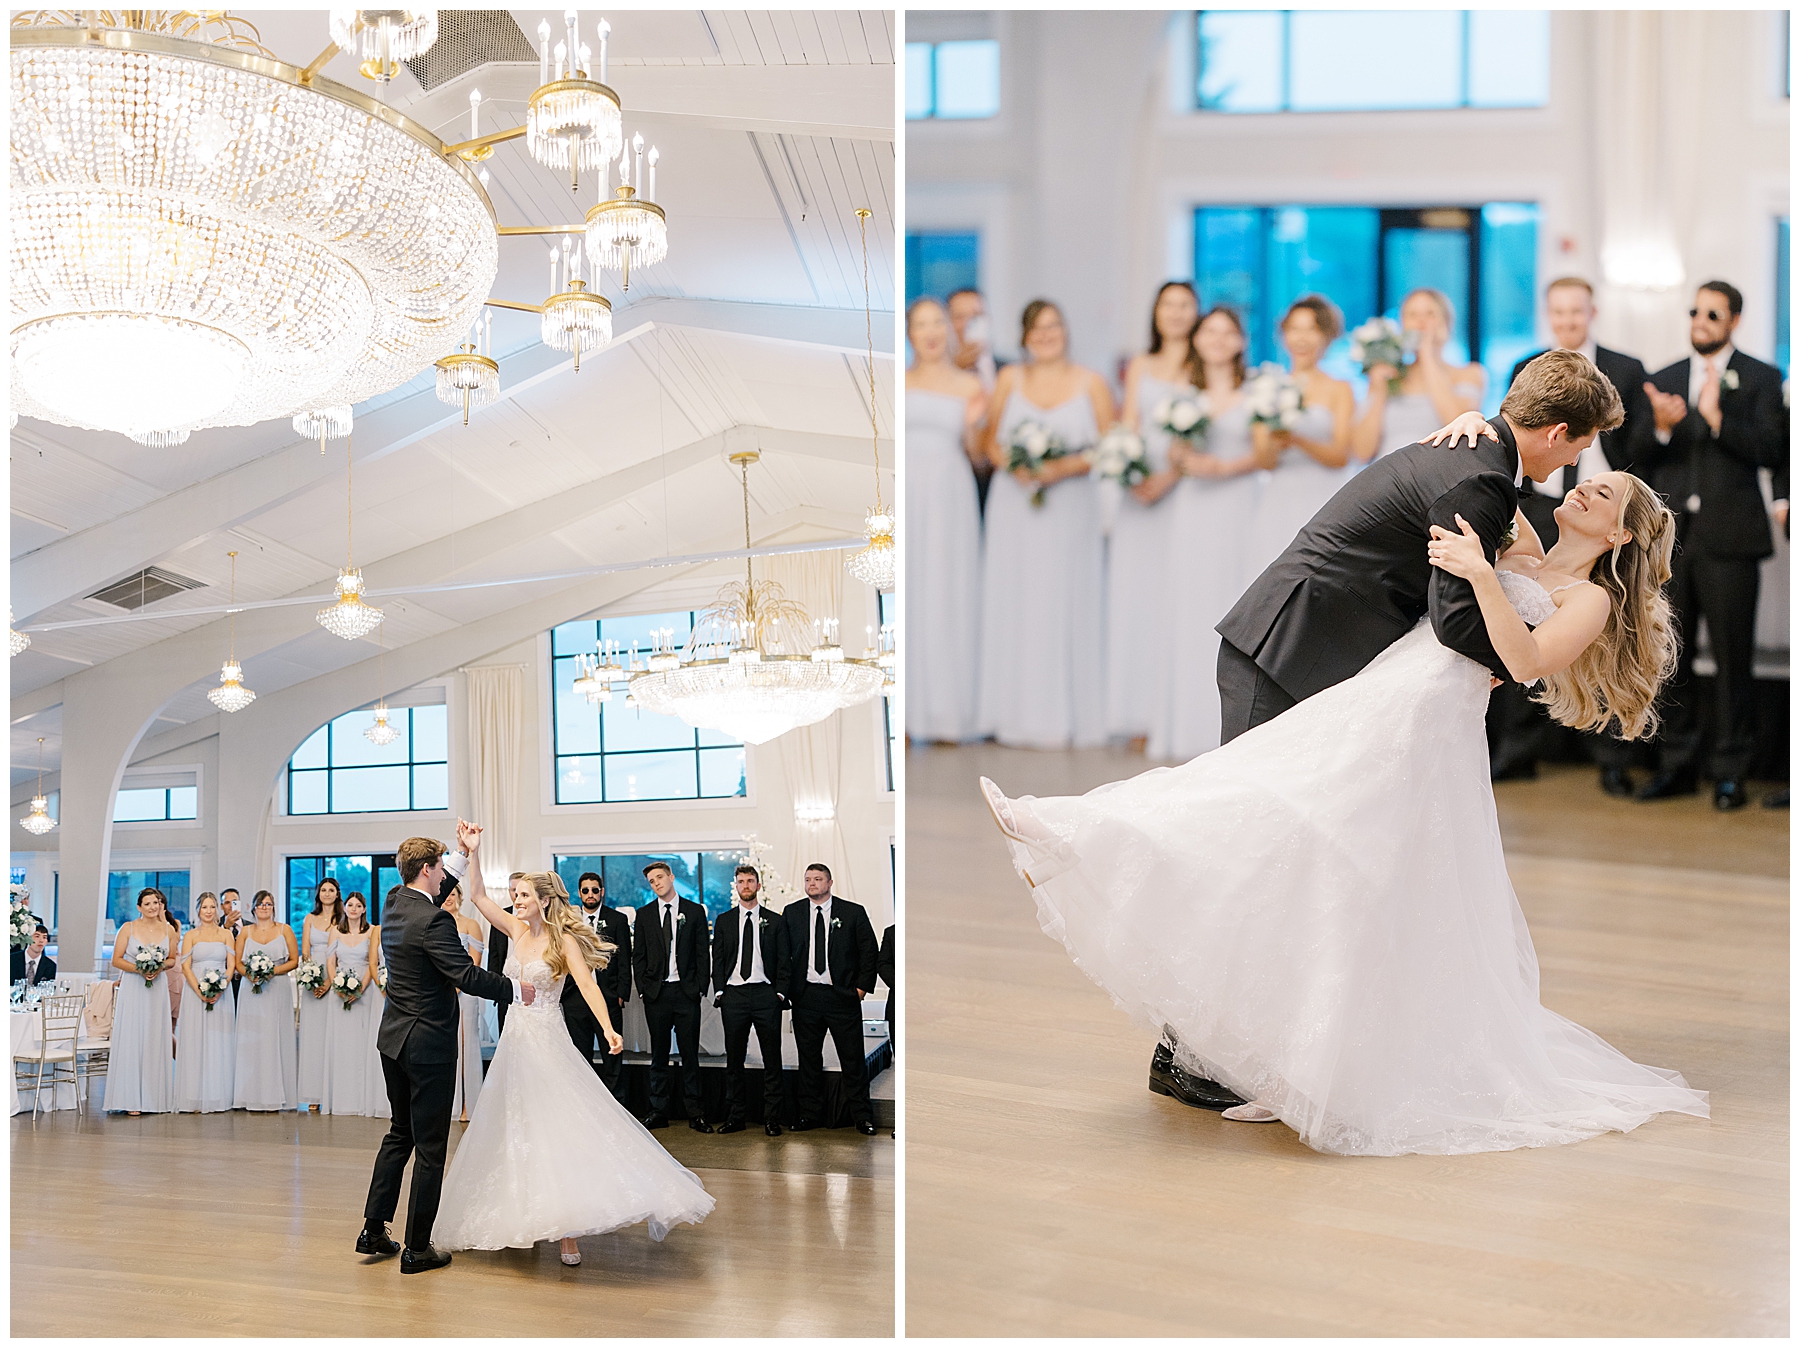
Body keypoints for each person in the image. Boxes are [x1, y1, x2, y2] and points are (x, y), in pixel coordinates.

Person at [981, 395, 1715, 1155]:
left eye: (1605, 492)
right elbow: (1460, 477)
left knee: (1319, 853)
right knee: (1269, 804)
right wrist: (1470, 421)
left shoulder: (1588, 599)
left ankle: (1287, 1066)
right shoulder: (1519, 530)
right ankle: (1075, 837)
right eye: (1589, 475)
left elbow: (1526, 661)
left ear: (1620, 534)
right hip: (1379, 688)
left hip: (1426, 722)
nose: (1586, 484)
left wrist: (1479, 574)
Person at [435, 860, 714, 1266]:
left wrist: (608, 1029)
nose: (516, 900)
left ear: (544, 901)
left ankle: (568, 1232)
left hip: (547, 1042)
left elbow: (586, 984)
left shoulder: (563, 941)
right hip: (514, 1043)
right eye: (515, 894)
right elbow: (477, 895)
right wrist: (472, 852)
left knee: (555, 1131)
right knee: (515, 1130)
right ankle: (524, 1219)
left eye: (524, 895)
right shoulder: (515, 930)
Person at [1494, 277, 1656, 790]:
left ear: (1592, 313)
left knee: (1593, 636)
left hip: (1598, 511)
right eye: (1558, 311)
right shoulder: (1529, 366)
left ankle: (1610, 760)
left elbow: (1643, 444)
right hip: (1545, 503)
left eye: (1575, 311)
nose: (1567, 320)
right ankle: (1517, 751)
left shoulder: (1626, 368)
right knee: (1522, 612)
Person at [1635, 280, 1789, 810]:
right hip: (1672, 542)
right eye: (1695, 311)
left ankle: (1731, 771)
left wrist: (1719, 418)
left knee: (1732, 660)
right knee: (1669, 656)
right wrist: (1660, 428)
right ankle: (1677, 765)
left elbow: (1773, 450)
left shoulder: (1763, 378)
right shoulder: (1664, 377)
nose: (1700, 321)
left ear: (1734, 321)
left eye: (1713, 314)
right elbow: (1636, 455)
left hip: (1731, 538)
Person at [359, 828, 527, 1274]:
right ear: (426, 870)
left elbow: (437, 885)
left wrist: (463, 853)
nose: (443, 880)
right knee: (431, 1148)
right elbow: (465, 976)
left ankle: (373, 1230)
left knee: (400, 1133)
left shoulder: (394, 902)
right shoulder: (436, 921)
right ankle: (418, 1248)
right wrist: (516, 990)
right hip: (427, 1046)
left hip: (393, 1041)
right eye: (439, 870)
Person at [975, 299, 1115, 749]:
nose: (1046, 335)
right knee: (1018, 598)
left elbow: (1111, 445)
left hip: (1071, 504)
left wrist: (1063, 467)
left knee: (1065, 597)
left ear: (1066, 330)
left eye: (1053, 325)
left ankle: (1067, 715)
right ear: (1024, 337)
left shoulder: (1091, 382)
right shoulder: (1009, 379)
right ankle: (1013, 715)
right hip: (1014, 504)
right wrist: (1016, 466)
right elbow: (989, 441)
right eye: (1037, 328)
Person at [1144, 305, 1263, 762]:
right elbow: (1172, 451)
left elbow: (1266, 454)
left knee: (1235, 597)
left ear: (1240, 341)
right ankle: (1187, 724)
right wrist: (1184, 460)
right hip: (1194, 507)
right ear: (1196, 339)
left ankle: (1234, 722)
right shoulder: (1182, 394)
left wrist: (1223, 468)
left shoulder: (1257, 392)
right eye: (1209, 331)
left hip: (1239, 505)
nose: (1217, 339)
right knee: (1190, 602)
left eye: (1227, 332)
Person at [1108, 282, 1202, 745]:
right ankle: (1137, 714)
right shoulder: (1141, 366)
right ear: (1156, 311)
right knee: (1137, 598)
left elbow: (1204, 434)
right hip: (1137, 494)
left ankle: (1172, 711)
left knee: (1173, 597)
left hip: (1181, 491)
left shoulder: (1201, 368)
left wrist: (1168, 478)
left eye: (1185, 305)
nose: (1176, 313)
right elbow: (1130, 423)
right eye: (1168, 304)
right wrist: (1127, 469)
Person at [905, 296, 987, 744]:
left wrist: (975, 426)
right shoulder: (899, 381)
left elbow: (977, 455)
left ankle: (946, 713)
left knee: (946, 589)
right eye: (921, 324)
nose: (931, 332)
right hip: (908, 489)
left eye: (938, 322)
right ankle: (907, 713)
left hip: (949, 490)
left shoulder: (969, 385)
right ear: (910, 333)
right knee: (911, 589)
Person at [1241, 295, 1356, 581]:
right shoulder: (1266, 387)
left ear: (1326, 336)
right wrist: (1274, 438)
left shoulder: (1340, 389)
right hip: (1279, 497)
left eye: (1311, 330)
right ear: (1283, 335)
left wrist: (1298, 440)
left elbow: (1341, 456)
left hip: (1324, 496)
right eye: (1294, 329)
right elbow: (1264, 462)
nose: (1301, 338)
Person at [780, 864, 880, 1136]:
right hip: (806, 996)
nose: (812, 883)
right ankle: (809, 1114)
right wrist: (790, 991)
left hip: (842, 996)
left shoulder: (852, 912)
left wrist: (860, 989)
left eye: (817, 879)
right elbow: (783, 955)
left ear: (830, 882)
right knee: (809, 1059)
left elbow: (869, 952)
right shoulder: (792, 913)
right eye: (808, 879)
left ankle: (862, 1116)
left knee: (853, 1059)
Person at [1351, 287, 1486, 462]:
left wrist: (1427, 355)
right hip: (1387, 473)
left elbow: (1462, 432)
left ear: (1447, 322)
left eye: (1430, 314)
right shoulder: (1389, 376)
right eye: (1412, 315)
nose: (1421, 322)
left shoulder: (1469, 374)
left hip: (1436, 473)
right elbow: (1362, 453)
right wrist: (1379, 390)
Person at [631, 862, 712, 1132]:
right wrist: (644, 988)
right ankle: (658, 1111)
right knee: (659, 1055)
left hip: (686, 992)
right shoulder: (644, 914)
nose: (656, 883)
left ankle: (696, 1113)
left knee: (690, 1055)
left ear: (671, 877)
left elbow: (702, 952)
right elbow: (639, 956)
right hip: (657, 993)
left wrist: (699, 987)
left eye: (660, 877)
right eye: (652, 881)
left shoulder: (694, 911)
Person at [711, 865, 790, 1136]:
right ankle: (736, 1116)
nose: (745, 885)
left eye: (750, 881)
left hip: (766, 994)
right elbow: (718, 959)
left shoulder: (775, 921)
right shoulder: (724, 920)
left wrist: (779, 993)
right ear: (736, 886)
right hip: (734, 995)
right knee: (734, 1060)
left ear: (758, 885)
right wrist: (720, 991)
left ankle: (772, 1118)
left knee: (772, 1058)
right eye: (741, 881)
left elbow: (784, 960)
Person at [106, 887, 176, 1115]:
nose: (152, 907)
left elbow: (172, 959)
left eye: (156, 902)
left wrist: (158, 966)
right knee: (133, 1036)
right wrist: (140, 969)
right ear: (139, 907)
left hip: (157, 989)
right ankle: (130, 1099)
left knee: (154, 1036)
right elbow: (116, 960)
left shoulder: (168, 929)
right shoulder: (128, 928)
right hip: (133, 988)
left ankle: (154, 1098)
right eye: (147, 903)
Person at [321, 892, 389, 1118]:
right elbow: (330, 962)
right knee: (341, 1043)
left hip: (364, 991)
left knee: (362, 1044)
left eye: (358, 905)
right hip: (339, 992)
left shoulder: (372, 931)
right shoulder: (335, 931)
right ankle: (340, 1100)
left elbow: (373, 963)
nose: (353, 909)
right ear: (345, 907)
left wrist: (360, 987)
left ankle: (361, 1099)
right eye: (350, 905)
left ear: (364, 909)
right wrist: (337, 986)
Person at [566, 871, 632, 1101]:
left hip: (608, 996)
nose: (590, 894)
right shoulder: (570, 922)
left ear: (602, 892)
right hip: (575, 997)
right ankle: (585, 1103)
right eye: (586, 890)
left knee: (612, 1053)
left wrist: (621, 993)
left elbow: (624, 959)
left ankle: (617, 1105)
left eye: (595, 890)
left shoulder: (617, 920)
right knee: (580, 1055)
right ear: (579, 893)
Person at [233, 890, 300, 1112]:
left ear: (273, 907)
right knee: (253, 1038)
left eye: (268, 904)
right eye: (260, 904)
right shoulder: (245, 932)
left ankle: (277, 1094)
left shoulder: (285, 930)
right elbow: (238, 962)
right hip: (251, 989)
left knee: (275, 1036)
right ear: (253, 908)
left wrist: (272, 971)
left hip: (277, 987)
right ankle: (250, 1095)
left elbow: (294, 960)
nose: (264, 907)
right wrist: (250, 975)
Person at [174, 892, 237, 1113]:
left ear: (217, 910)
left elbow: (231, 965)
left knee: (218, 1040)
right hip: (195, 992)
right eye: (204, 907)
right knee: (195, 1040)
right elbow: (185, 966)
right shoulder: (191, 935)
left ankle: (217, 1094)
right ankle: (194, 1096)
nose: (208, 911)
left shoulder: (226, 934)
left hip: (222, 993)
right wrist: (200, 992)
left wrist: (220, 988)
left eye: (212, 907)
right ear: (198, 911)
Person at [298, 878, 344, 1111]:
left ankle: (334, 1091)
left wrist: (328, 982)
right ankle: (314, 1093)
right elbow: (305, 951)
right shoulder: (309, 918)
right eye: (323, 890)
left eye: (331, 890)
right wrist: (311, 977)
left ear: (337, 894)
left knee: (332, 1034)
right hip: (313, 977)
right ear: (318, 894)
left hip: (335, 975)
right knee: (313, 1036)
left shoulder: (342, 919)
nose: (327, 893)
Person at [443, 883, 486, 1122]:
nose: (448, 898)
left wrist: (458, 985)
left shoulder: (471, 925)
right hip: (441, 992)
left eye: (453, 894)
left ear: (460, 897)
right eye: (445, 894)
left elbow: (474, 962)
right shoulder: (436, 923)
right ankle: (448, 1103)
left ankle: (469, 1103)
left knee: (466, 1044)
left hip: (465, 993)